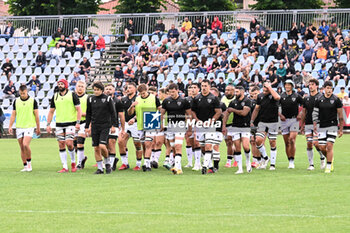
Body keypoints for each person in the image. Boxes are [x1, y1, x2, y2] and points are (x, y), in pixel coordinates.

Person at [46, 79, 82, 173]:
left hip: (71, 123)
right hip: (59, 124)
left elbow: (79, 109)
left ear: (65, 85)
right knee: (61, 144)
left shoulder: (72, 95)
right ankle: (65, 166)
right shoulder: (55, 96)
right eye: (59, 84)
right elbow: (51, 111)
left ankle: (73, 162)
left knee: (69, 143)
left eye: (62, 84)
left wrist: (78, 122)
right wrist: (48, 124)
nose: (60, 85)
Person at [84, 82, 118, 174]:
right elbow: (88, 113)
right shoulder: (90, 99)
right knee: (96, 148)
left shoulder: (107, 99)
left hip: (105, 126)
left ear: (102, 90)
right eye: (94, 90)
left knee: (102, 146)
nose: (96, 91)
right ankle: (100, 168)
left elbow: (113, 113)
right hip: (95, 126)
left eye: (97, 90)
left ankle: (107, 163)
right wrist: (87, 126)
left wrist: (113, 125)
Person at [128, 84, 161, 172]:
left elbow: (160, 110)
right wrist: (132, 107)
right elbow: (131, 113)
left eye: (143, 93)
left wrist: (159, 120)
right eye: (140, 93)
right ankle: (148, 161)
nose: (142, 95)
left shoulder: (154, 98)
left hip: (151, 122)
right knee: (143, 145)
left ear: (147, 90)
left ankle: (147, 165)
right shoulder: (137, 99)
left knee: (148, 143)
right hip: (140, 124)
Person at [191, 79, 222, 174]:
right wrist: (197, 120)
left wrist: (212, 121)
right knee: (203, 147)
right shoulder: (196, 98)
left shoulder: (214, 98)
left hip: (210, 126)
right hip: (200, 125)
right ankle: (210, 165)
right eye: (202, 86)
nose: (204, 87)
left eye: (205, 86)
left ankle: (204, 166)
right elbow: (192, 111)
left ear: (209, 86)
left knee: (209, 145)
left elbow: (218, 112)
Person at [312, 81, 344, 173]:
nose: (329, 90)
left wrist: (341, 129)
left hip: (333, 126)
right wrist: (315, 124)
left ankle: (329, 166)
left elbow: (341, 116)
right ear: (324, 89)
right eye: (327, 88)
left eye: (330, 88)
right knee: (322, 147)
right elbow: (315, 113)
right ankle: (330, 159)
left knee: (329, 146)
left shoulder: (336, 99)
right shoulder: (319, 99)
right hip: (322, 125)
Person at [160, 83, 192, 175]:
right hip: (170, 126)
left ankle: (177, 167)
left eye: (173, 92)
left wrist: (189, 128)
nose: (172, 94)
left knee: (178, 146)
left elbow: (189, 115)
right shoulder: (166, 101)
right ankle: (179, 167)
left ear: (177, 90)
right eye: (170, 92)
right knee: (173, 147)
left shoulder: (184, 101)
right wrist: (161, 124)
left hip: (180, 125)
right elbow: (162, 114)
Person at [8, 85, 40, 172]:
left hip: (29, 126)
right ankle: (25, 166)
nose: (22, 95)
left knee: (26, 144)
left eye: (24, 93)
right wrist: (10, 126)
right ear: (19, 92)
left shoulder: (33, 101)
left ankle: (29, 163)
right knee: (22, 147)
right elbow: (13, 114)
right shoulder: (16, 101)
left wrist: (38, 127)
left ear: (27, 92)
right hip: (19, 126)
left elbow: (36, 115)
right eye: (21, 93)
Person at [250, 81, 281, 170]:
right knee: (258, 140)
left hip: (273, 122)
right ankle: (266, 158)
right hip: (262, 122)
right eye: (263, 87)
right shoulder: (260, 96)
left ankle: (272, 164)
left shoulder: (274, 95)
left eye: (266, 87)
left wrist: (270, 87)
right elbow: (256, 109)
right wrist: (252, 120)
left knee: (272, 142)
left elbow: (277, 97)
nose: (264, 89)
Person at [223, 86, 252, 174]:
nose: (235, 93)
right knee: (237, 147)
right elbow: (227, 113)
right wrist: (224, 125)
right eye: (235, 92)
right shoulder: (233, 102)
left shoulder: (247, 101)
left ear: (242, 92)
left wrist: (233, 110)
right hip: (235, 127)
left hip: (245, 126)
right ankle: (240, 168)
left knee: (246, 146)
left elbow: (244, 113)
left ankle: (248, 161)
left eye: (237, 92)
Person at [300, 78, 326, 170]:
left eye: (312, 84)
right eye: (309, 84)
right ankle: (311, 164)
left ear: (317, 86)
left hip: (318, 124)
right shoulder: (306, 98)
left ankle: (322, 158)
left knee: (316, 143)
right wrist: (301, 125)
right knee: (309, 143)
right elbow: (304, 112)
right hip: (308, 123)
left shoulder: (321, 97)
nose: (310, 86)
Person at [118, 83, 143, 170]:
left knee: (137, 144)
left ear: (135, 89)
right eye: (127, 88)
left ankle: (138, 164)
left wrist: (134, 119)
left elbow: (140, 112)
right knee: (120, 141)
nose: (128, 89)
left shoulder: (138, 99)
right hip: (126, 124)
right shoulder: (123, 99)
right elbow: (121, 113)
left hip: (136, 124)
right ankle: (125, 163)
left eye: (130, 88)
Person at [279, 80, 303, 169]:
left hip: (294, 120)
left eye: (289, 85)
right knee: (286, 142)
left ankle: (292, 160)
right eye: (286, 85)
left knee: (292, 139)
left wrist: (300, 114)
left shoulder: (297, 96)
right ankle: (289, 160)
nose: (287, 86)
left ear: (292, 86)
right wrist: (280, 115)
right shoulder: (282, 96)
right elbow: (275, 106)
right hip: (284, 121)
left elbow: (304, 105)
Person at [104, 84, 126, 171]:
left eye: (110, 89)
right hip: (103, 126)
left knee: (111, 143)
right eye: (107, 89)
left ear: (114, 90)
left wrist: (123, 128)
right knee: (104, 146)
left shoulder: (117, 101)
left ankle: (111, 164)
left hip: (114, 126)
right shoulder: (102, 100)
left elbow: (121, 115)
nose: (108, 90)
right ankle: (110, 161)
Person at [74, 81, 88, 169]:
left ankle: (79, 163)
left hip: (83, 122)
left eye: (82, 86)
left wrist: (82, 114)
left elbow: (91, 112)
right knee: (72, 144)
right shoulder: (72, 97)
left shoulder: (87, 98)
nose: (80, 88)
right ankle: (82, 158)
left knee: (80, 141)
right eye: (79, 86)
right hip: (73, 123)